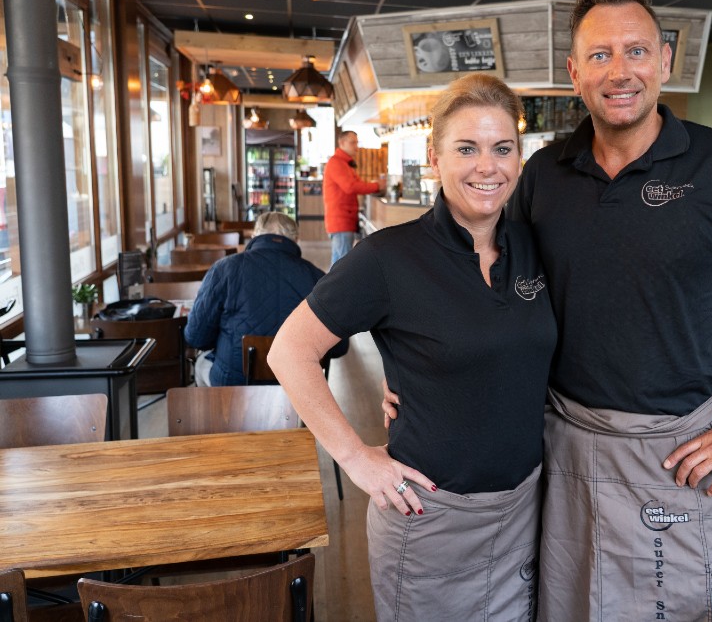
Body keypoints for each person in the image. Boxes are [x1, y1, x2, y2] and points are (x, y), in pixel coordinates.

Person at [386, 0, 712, 620]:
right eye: (600, 55)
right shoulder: (544, 175)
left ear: (663, 59)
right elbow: (479, 282)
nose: (620, 70)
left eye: (635, 50)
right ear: (576, 74)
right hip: (562, 444)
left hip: (675, 458)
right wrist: (421, 375)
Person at [268, 73, 556, 621]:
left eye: (503, 149)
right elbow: (289, 351)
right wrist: (355, 457)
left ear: (520, 157)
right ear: (434, 156)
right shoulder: (388, 258)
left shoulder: (532, 247)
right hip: (431, 518)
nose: (486, 166)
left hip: (525, 507)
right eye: (466, 148)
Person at [184, 211, 345, 386]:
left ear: (254, 236)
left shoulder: (224, 269)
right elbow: (339, 347)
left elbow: (196, 337)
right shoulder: (318, 278)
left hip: (234, 384)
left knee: (201, 364)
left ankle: (220, 412)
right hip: (295, 387)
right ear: (296, 239)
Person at [323, 130, 382, 266]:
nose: (356, 146)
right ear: (342, 143)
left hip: (343, 219)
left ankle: (333, 287)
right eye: (353, 143)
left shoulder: (344, 163)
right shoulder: (337, 163)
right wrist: (377, 186)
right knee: (342, 266)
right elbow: (350, 186)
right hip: (341, 220)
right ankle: (336, 288)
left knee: (338, 263)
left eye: (357, 142)